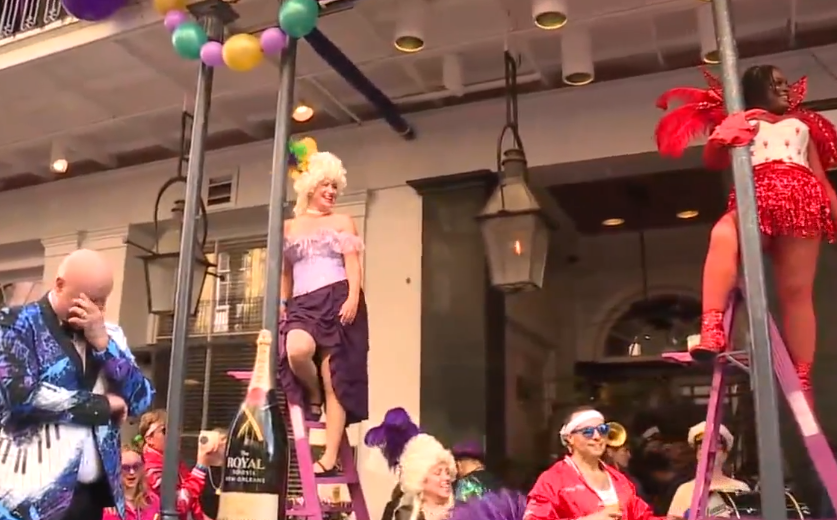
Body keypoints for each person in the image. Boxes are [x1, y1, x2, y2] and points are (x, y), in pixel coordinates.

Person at [655, 66, 837, 406]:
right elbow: (713, 159)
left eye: (786, 82)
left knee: (797, 293)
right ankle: (712, 328)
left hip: (802, 204)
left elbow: (821, 178)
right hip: (755, 200)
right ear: (757, 88)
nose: (787, 89)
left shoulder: (804, 126)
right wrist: (723, 136)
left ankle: (801, 376)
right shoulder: (742, 119)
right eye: (778, 83)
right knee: (723, 235)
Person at [0, 249, 155, 520]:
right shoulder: (14, 324)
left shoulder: (110, 334)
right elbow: (21, 396)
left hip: (89, 495)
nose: (94, 310)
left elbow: (142, 399)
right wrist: (104, 406)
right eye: (85, 299)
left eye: (101, 301)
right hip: (30, 496)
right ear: (59, 285)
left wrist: (105, 347)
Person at [279, 137, 369, 476]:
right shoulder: (289, 227)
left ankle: (329, 456)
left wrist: (353, 297)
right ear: (310, 187)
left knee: (337, 378)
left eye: (335, 185)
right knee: (296, 350)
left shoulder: (343, 222)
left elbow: (353, 263)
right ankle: (312, 393)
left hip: (336, 300)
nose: (332, 191)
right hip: (302, 303)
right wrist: (281, 303)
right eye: (326, 185)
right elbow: (286, 271)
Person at [525, 407, 665, 520]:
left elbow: (642, 517)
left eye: (602, 430)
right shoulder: (552, 480)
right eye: (588, 432)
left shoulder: (619, 480)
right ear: (570, 438)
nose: (597, 437)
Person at [364, 408, 456, 520]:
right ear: (421, 479)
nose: (446, 478)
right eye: (438, 473)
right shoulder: (403, 513)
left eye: (447, 472)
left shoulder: (464, 513)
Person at [139, 409, 214, 520]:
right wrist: (201, 466)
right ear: (149, 439)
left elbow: (192, 505)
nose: (175, 434)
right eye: (165, 430)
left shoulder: (174, 462)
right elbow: (177, 504)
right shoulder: (150, 470)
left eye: (176, 429)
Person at [667, 422, 749, 518]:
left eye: (716, 447)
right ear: (697, 454)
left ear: (725, 455)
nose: (709, 453)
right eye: (702, 448)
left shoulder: (740, 488)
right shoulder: (685, 490)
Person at [104, 444, 160, 520]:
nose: (131, 472)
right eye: (125, 468)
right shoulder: (104, 504)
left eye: (136, 466)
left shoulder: (153, 500)